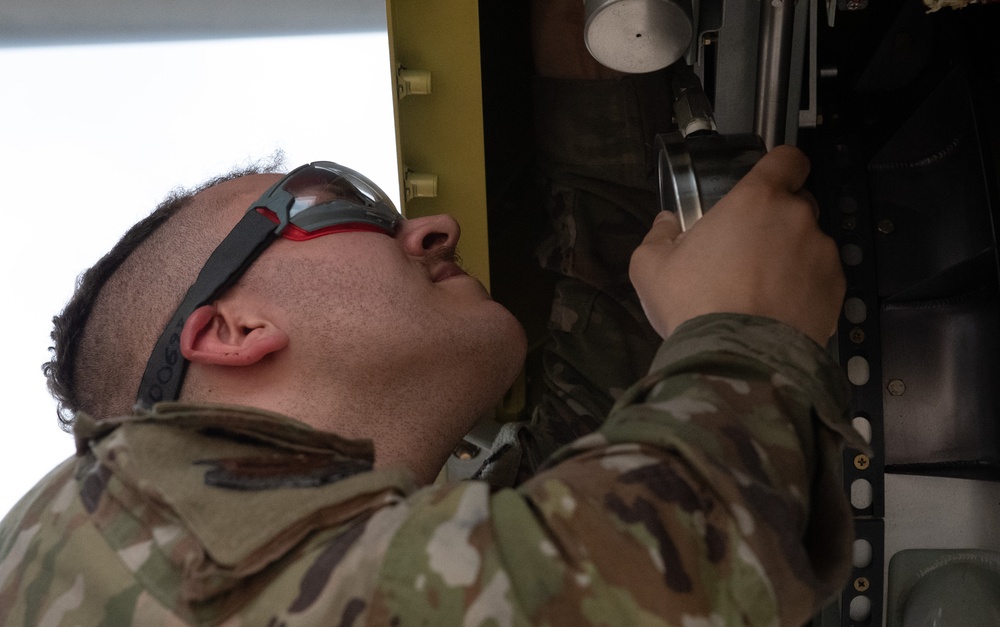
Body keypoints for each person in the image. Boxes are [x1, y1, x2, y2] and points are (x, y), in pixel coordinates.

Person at [0, 8, 866, 627]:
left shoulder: (357, 562)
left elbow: (589, 433)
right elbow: (631, 579)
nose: (430, 227)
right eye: (340, 201)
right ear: (231, 329)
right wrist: (748, 334)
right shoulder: (100, 550)